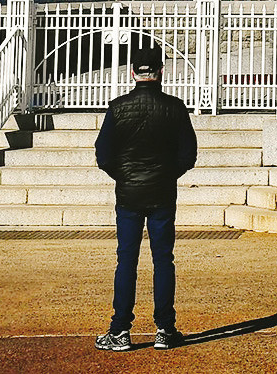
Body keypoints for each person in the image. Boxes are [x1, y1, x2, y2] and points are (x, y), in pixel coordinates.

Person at [93, 44, 198, 351]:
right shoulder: (175, 108)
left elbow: (103, 155)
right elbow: (188, 154)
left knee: (126, 260)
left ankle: (120, 330)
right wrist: (166, 174)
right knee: (163, 259)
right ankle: (165, 328)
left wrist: (125, 176)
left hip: (128, 194)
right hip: (162, 192)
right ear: (161, 72)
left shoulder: (118, 108)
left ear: (132, 72)